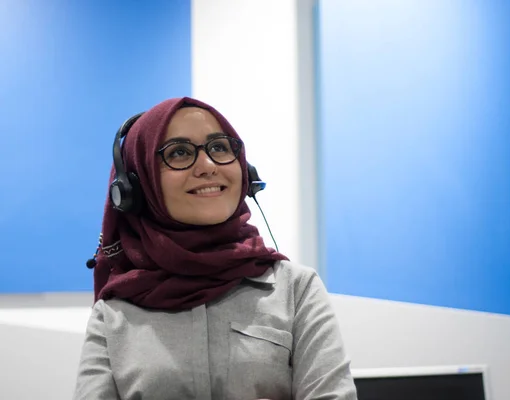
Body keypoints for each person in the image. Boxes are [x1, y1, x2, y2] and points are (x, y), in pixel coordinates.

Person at [73, 96, 358, 400]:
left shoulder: (295, 290)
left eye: (219, 147)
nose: (208, 166)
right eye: (179, 153)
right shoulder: (114, 312)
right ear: (138, 185)